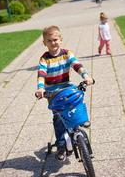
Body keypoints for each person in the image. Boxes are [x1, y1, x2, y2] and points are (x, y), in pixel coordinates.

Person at [35, 25, 93, 161]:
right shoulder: (44, 59)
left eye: (55, 39)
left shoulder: (67, 53)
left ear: (61, 39)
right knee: (58, 119)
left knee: (77, 97)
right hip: (52, 93)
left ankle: (82, 119)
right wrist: (40, 88)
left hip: (66, 86)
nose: (53, 43)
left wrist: (86, 76)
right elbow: (41, 74)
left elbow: (76, 65)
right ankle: (61, 145)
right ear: (44, 43)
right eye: (49, 41)